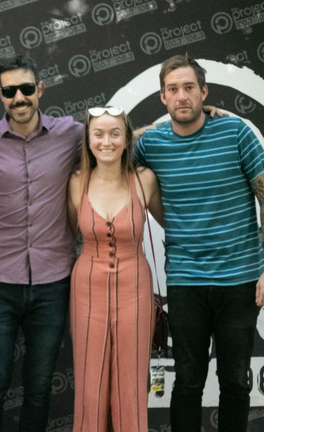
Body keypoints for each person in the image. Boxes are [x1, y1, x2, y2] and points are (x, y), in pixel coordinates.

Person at [133, 53, 264, 432]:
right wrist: (152, 127)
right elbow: (112, 141)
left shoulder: (235, 132)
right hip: (186, 281)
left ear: (204, 91)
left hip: (239, 280)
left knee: (235, 383)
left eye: (190, 88)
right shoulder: (153, 143)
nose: (182, 96)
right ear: (162, 98)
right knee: (187, 383)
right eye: (172, 90)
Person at [0, 55, 83, 432]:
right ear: (0, 94)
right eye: (10, 91)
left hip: (54, 280)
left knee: (40, 385)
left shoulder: (72, 133)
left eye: (26, 89)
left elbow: (120, 137)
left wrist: (193, 115)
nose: (19, 97)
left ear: (40, 89)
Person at [67, 106, 163, 432]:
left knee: (131, 388)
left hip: (135, 288)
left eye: (114, 134)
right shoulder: (76, 183)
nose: (106, 142)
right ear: (88, 140)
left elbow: (176, 225)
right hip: (86, 290)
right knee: (89, 386)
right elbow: (64, 233)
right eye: (98, 134)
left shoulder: (144, 180)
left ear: (126, 139)